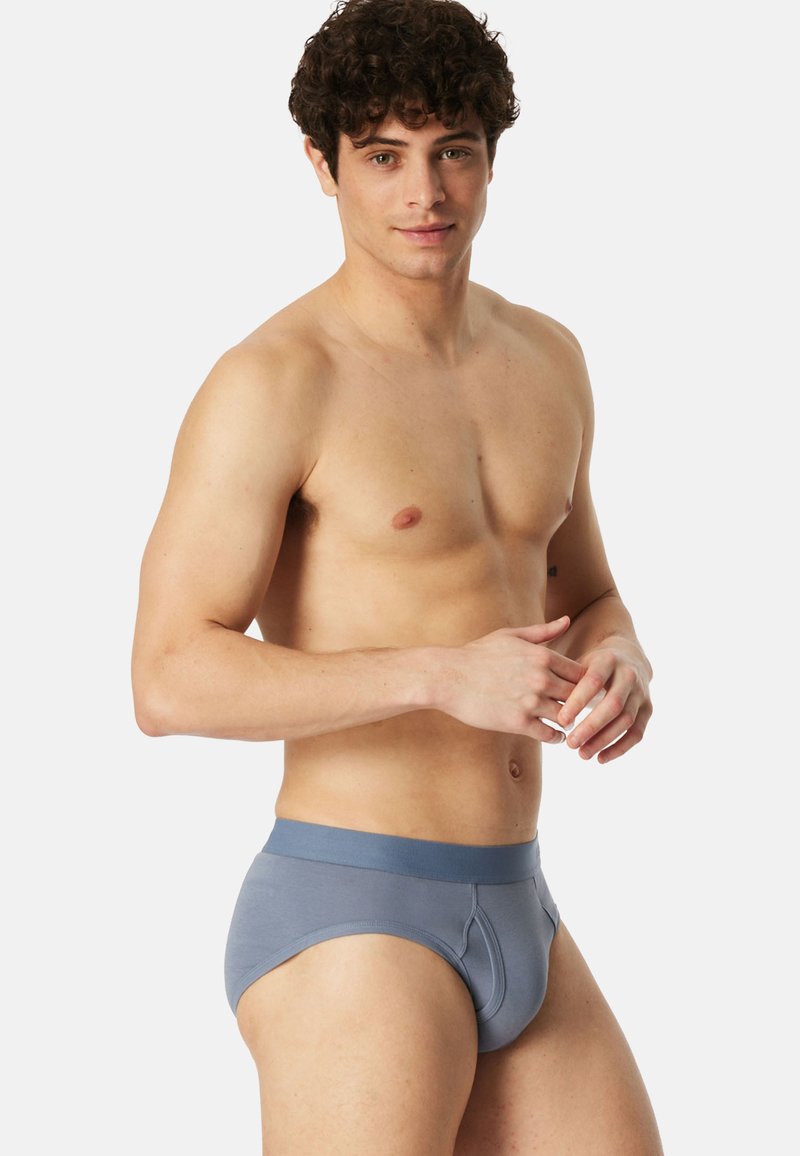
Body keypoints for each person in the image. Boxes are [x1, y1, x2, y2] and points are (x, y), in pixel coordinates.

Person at [131, 0, 663, 1151]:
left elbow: (585, 591)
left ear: (489, 159)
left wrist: (618, 651)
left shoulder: (546, 358)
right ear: (322, 166)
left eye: (451, 151)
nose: (424, 191)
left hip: (519, 894)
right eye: (382, 156)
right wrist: (434, 674)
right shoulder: (275, 382)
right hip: (355, 910)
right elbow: (166, 678)